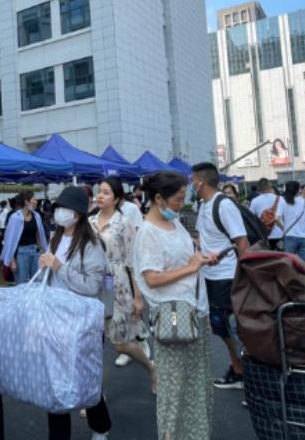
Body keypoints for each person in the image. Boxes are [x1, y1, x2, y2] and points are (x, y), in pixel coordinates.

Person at [132, 173, 216, 440]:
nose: (182, 203)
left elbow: (184, 258)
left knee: (196, 384)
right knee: (174, 389)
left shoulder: (174, 223)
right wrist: (190, 267)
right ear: (159, 199)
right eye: (179, 198)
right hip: (175, 317)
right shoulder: (148, 232)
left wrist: (202, 258)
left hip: (194, 312)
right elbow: (152, 278)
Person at [38, 186, 111, 440]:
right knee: (54, 382)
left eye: (64, 209)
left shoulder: (92, 244)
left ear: (78, 214)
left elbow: (92, 286)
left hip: (83, 323)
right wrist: (45, 268)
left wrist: (59, 267)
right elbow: (50, 278)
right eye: (57, 208)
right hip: (55, 320)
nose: (59, 213)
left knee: (87, 379)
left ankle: (100, 428)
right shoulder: (54, 239)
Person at [191, 162, 250, 389]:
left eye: (192, 180)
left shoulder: (224, 205)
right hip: (209, 275)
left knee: (229, 326)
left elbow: (242, 241)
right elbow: (202, 238)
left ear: (200, 183)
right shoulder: (203, 205)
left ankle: (244, 372)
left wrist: (245, 276)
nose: (190, 185)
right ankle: (238, 368)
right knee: (220, 326)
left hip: (226, 276)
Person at [89, 178, 154, 382]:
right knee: (93, 340)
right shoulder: (89, 222)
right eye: (99, 191)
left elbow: (133, 262)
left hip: (117, 285)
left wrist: (138, 297)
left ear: (117, 199)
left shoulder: (124, 223)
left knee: (120, 343)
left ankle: (151, 367)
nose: (100, 195)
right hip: (93, 286)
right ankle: (94, 390)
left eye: (106, 192)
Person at [1, 190, 48, 285]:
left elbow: (38, 235)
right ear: (27, 202)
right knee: (21, 281)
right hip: (21, 253)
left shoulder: (36, 216)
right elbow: (10, 241)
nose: (36, 202)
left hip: (35, 251)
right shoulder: (15, 218)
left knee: (38, 280)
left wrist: (42, 250)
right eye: (34, 199)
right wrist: (12, 261)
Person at [281, 181, 305, 263]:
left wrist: (284, 228)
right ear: (299, 190)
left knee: (290, 262)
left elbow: (277, 218)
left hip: (289, 235)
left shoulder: (283, 202)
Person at [249, 177, 286, 250]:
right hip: (278, 235)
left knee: (265, 257)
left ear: (259, 188)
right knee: (279, 256)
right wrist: (285, 230)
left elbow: (251, 218)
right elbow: (278, 218)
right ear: (270, 186)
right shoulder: (280, 199)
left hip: (262, 235)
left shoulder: (254, 201)